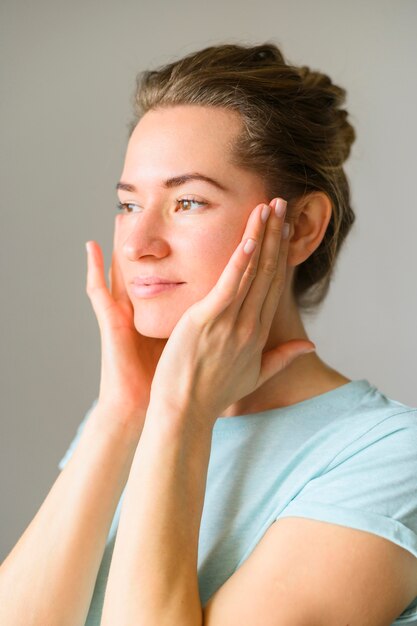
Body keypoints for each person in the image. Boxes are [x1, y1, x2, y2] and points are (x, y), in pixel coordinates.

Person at [1, 42, 416, 626]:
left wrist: (181, 417)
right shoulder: (127, 420)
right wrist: (124, 414)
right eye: (127, 205)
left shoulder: (391, 457)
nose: (139, 243)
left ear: (300, 228)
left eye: (188, 201)